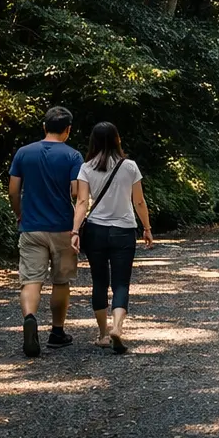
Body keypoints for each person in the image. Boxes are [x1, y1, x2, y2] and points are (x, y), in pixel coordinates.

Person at [8, 106, 84, 357]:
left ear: (44, 126)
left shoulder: (23, 153)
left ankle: (30, 318)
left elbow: (13, 190)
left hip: (31, 227)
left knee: (31, 280)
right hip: (63, 227)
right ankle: (57, 332)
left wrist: (20, 214)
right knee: (61, 281)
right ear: (68, 130)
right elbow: (75, 192)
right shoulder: (73, 156)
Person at [70, 122, 152, 355]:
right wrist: (146, 227)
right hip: (124, 230)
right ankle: (117, 327)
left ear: (93, 141)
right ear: (117, 139)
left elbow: (82, 202)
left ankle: (103, 334)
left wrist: (75, 231)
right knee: (121, 282)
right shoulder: (130, 166)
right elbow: (139, 201)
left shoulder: (86, 168)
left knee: (99, 281)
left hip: (96, 230)